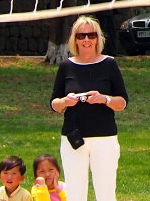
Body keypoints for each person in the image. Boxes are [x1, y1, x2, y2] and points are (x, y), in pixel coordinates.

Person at [47, 16, 127, 201]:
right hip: (73, 137)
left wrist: (104, 99)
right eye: (81, 35)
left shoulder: (109, 64)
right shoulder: (67, 66)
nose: (86, 40)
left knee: (106, 192)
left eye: (91, 35)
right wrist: (65, 102)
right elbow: (53, 103)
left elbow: (122, 102)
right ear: (75, 39)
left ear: (98, 39)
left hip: (104, 137)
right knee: (75, 193)